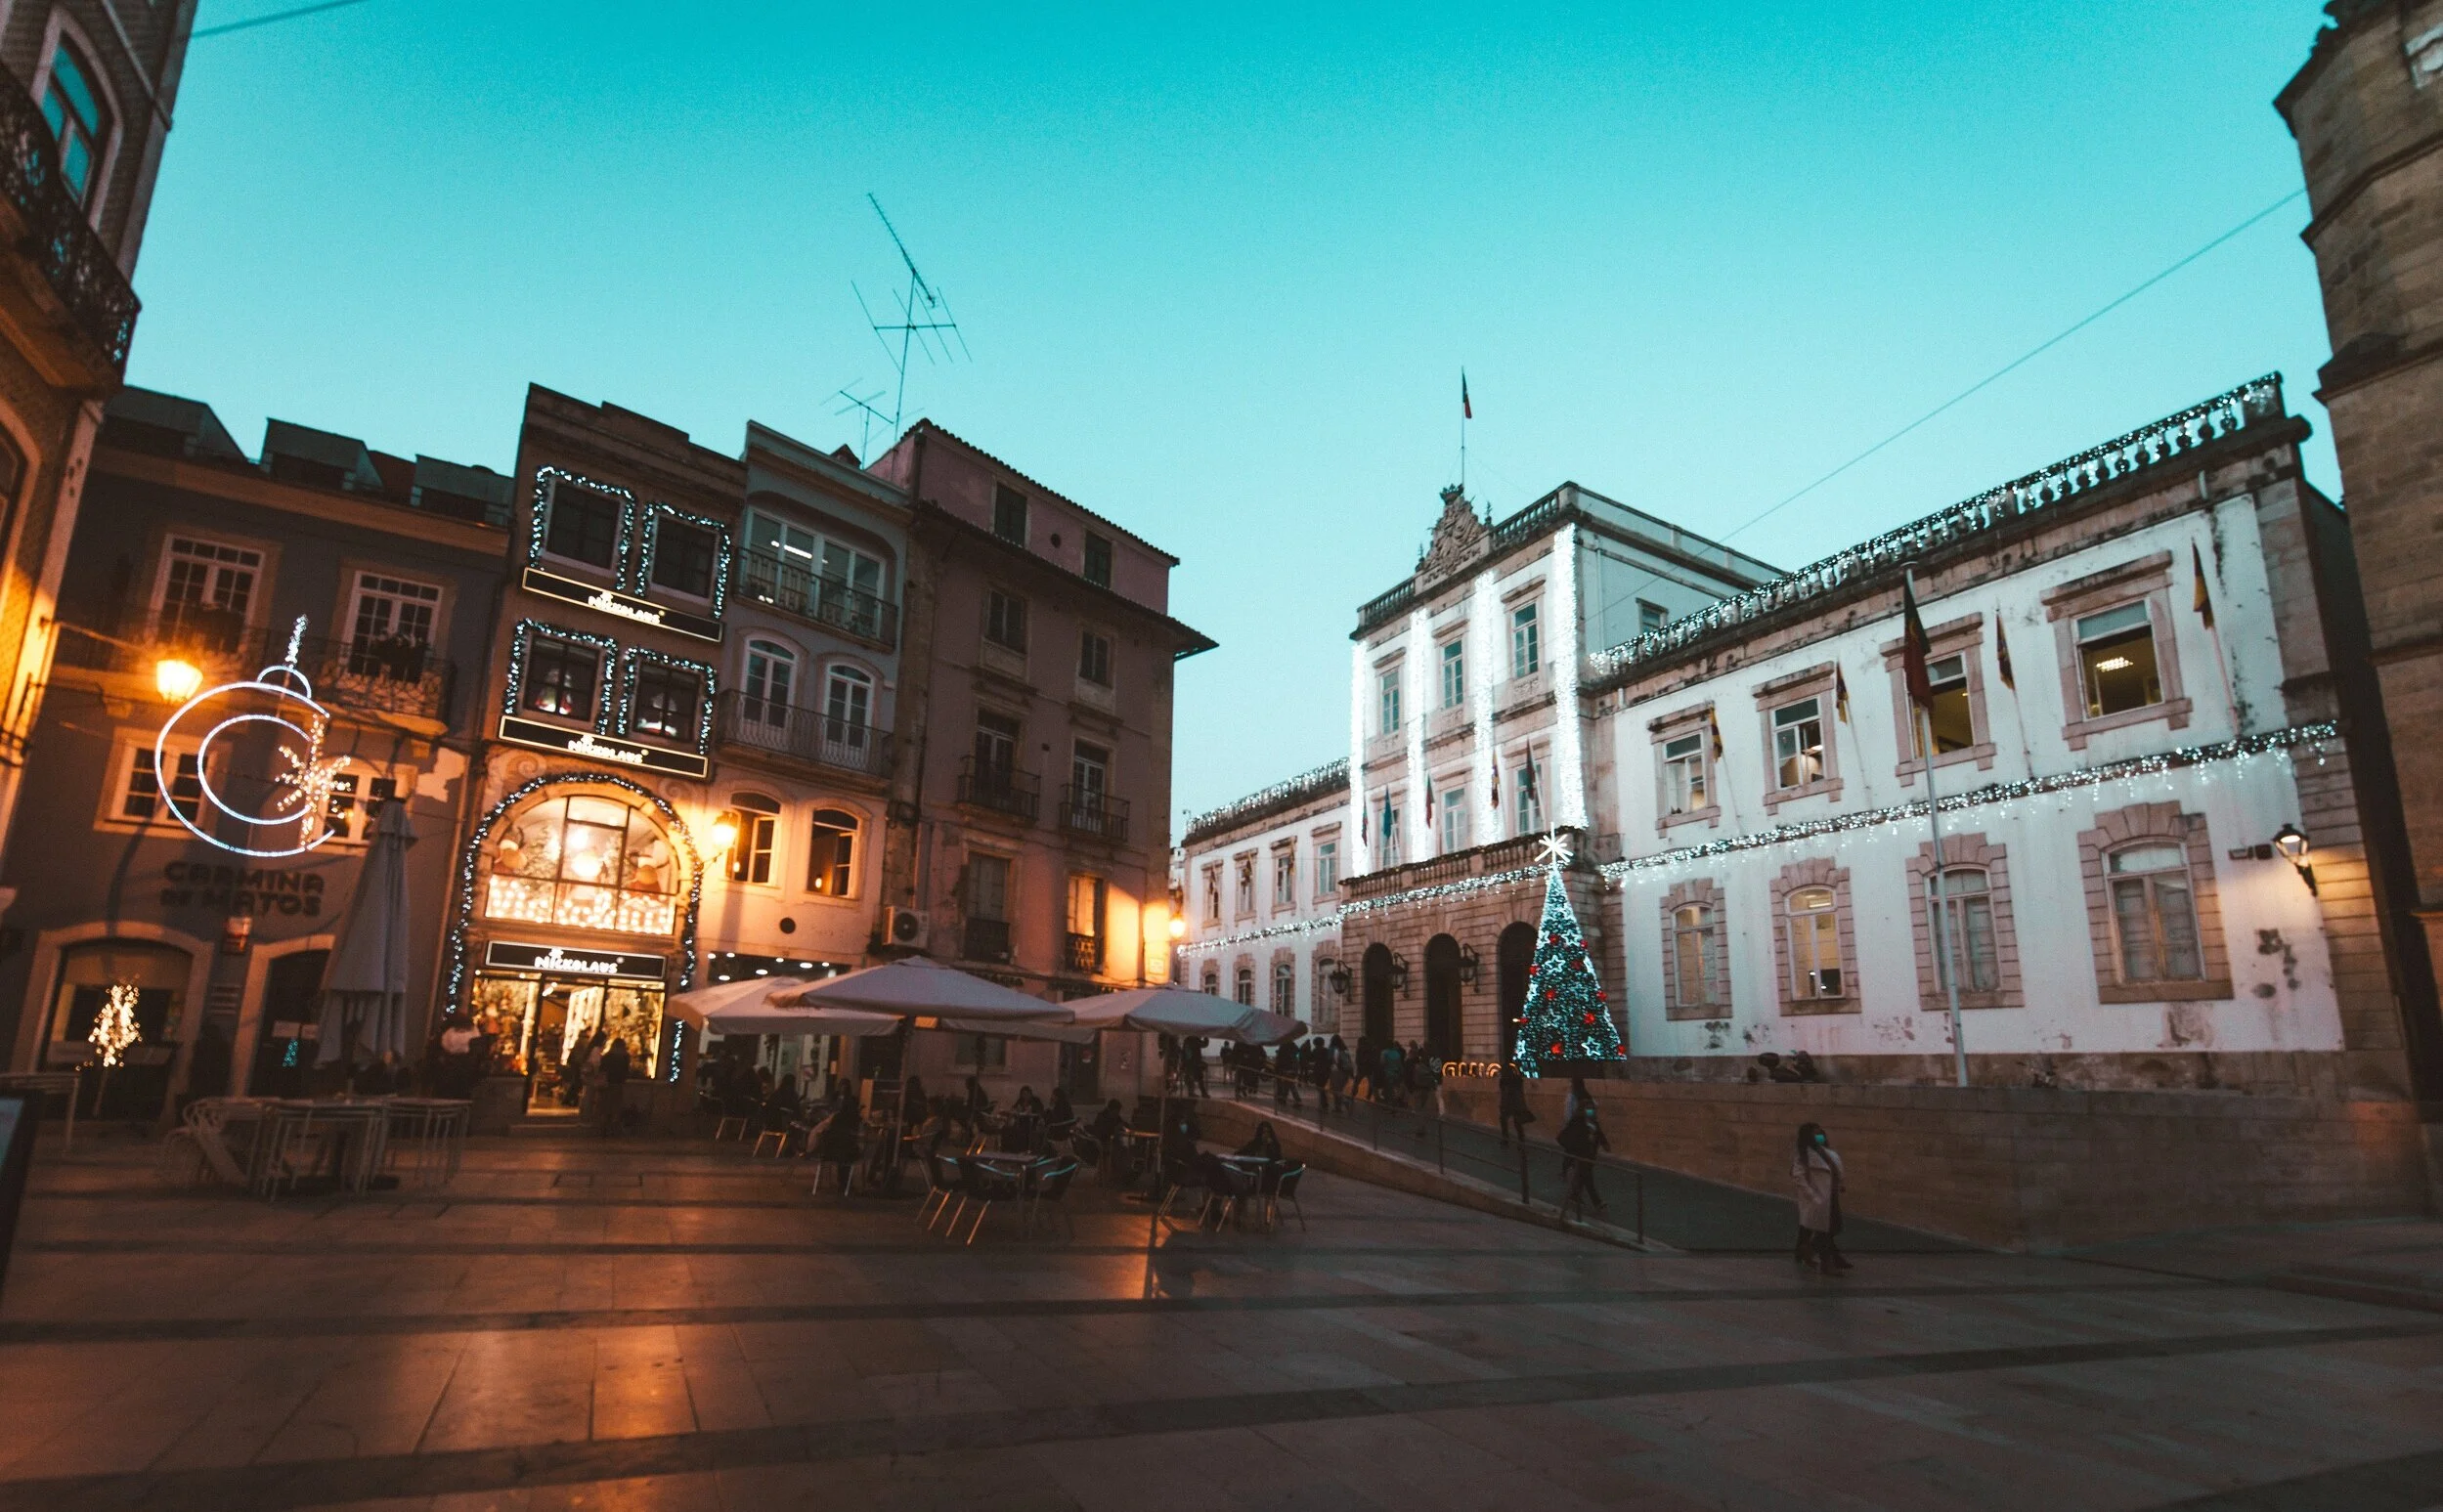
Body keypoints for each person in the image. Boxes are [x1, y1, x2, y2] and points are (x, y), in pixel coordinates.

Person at [1792, 1122, 1850, 1274]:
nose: (1819, 1136)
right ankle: (1826, 1263)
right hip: (1819, 1198)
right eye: (1816, 1133)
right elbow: (1798, 1177)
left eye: (1820, 1133)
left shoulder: (1826, 1153)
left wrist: (1838, 1185)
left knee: (1832, 1227)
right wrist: (1812, 1195)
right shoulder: (1804, 1156)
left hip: (1830, 1196)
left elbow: (1834, 1171)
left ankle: (1808, 1251)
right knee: (1825, 1230)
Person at [1556, 1101, 1609, 1218]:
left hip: (1589, 1156)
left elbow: (1600, 1135)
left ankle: (1575, 1195)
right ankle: (1597, 1202)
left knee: (1583, 1176)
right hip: (1580, 1155)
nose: (1592, 1112)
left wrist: (1605, 1144)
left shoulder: (1594, 1123)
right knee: (1587, 1177)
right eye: (1589, 1109)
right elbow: (1571, 1138)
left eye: (1593, 1109)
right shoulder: (1578, 1122)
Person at [812, 1087, 863, 1192]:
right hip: (846, 1152)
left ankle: (843, 1182)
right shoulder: (855, 1119)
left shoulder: (836, 1117)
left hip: (828, 1151)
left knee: (843, 1150)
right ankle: (846, 1184)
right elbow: (856, 1135)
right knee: (848, 1152)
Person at [596, 1034, 632, 1137]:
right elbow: (626, 1071)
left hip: (607, 1084)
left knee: (605, 1107)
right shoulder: (625, 1057)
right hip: (618, 1084)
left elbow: (602, 1070)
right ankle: (613, 1128)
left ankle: (603, 1128)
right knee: (616, 1107)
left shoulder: (607, 1056)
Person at [1497, 1059, 1532, 1145]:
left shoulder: (1505, 1080)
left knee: (1505, 1121)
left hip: (1509, 1104)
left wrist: (1502, 1105)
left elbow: (1504, 1093)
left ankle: (1506, 1139)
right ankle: (1520, 1140)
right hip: (1516, 1104)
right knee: (1517, 1123)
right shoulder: (1517, 1080)